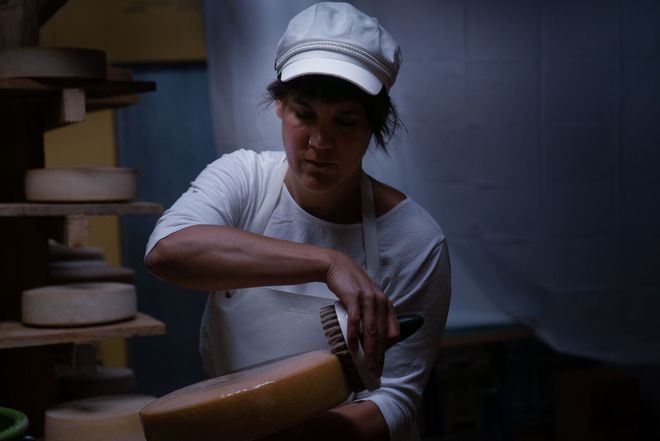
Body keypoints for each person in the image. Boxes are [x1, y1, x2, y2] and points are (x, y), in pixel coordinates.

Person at [144, 2, 451, 440]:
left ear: (373, 127)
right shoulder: (243, 180)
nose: (320, 142)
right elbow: (167, 253)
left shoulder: (413, 239)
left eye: (345, 122)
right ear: (279, 107)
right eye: (304, 115)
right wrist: (327, 263)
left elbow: (396, 398)